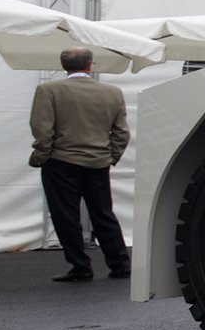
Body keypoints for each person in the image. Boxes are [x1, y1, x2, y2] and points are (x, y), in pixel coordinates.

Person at [29, 46, 132, 282]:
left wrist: (41, 155)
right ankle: (120, 263)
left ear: (64, 66)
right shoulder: (113, 92)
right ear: (90, 65)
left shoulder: (48, 90)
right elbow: (121, 133)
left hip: (61, 161)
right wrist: (111, 156)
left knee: (66, 215)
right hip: (98, 162)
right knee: (103, 213)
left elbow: (42, 129)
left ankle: (80, 265)